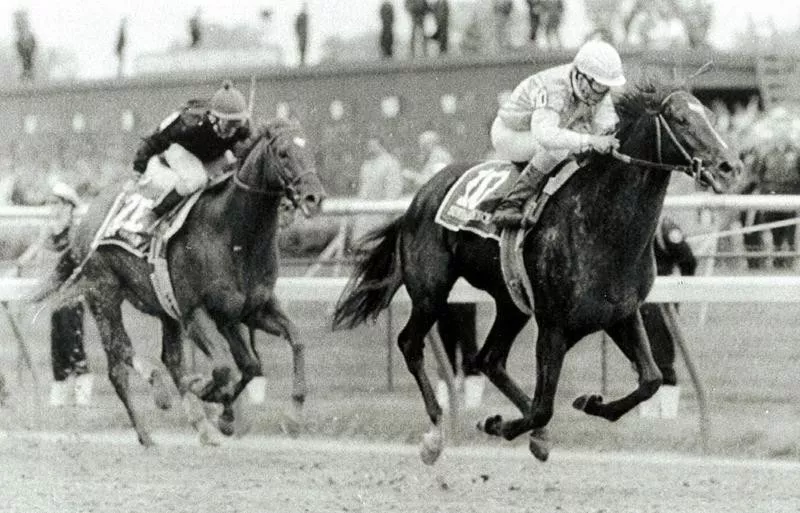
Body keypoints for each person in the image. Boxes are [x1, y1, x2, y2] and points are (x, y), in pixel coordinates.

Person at [488, 39, 626, 227]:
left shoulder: (595, 89)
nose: (601, 94)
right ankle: (509, 205)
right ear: (581, 76)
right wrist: (591, 140)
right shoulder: (555, 86)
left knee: (581, 143)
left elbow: (606, 129)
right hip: (511, 133)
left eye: (606, 87)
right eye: (599, 86)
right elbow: (545, 135)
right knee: (560, 147)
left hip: (544, 130)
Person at [17, 182, 93, 406]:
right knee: (57, 341)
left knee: (73, 340)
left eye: (59, 203)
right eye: (52, 203)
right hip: (55, 295)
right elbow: (33, 251)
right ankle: (60, 390)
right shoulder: (49, 230)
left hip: (72, 294)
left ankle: (82, 393)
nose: (54, 208)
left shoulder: (75, 233)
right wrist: (20, 264)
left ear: (69, 207)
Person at [132, 80, 251, 217]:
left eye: (238, 123)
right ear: (213, 118)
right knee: (197, 179)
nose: (233, 130)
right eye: (229, 124)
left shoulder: (242, 127)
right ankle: (155, 212)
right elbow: (155, 139)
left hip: (208, 155)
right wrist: (138, 168)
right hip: (178, 148)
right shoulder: (190, 120)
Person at [640, 216, 698, 390]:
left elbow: (688, 260)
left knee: (656, 361)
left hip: (654, 298)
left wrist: (678, 293)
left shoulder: (663, 227)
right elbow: (689, 261)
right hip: (646, 299)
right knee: (652, 361)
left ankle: (663, 412)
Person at [351, 138, 404, 243]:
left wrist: (387, 211)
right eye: (368, 145)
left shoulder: (391, 163)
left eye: (373, 145)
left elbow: (393, 190)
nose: (370, 148)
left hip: (382, 212)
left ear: (380, 145)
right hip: (365, 212)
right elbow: (363, 189)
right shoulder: (366, 165)